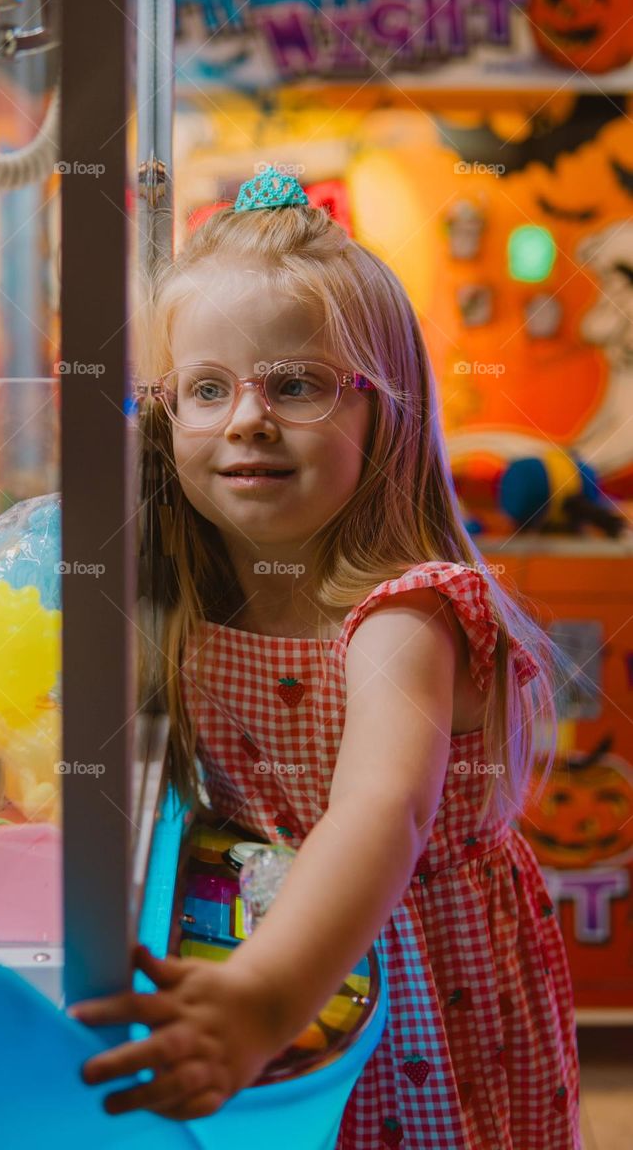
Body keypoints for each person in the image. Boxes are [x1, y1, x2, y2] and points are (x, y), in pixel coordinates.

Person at [67, 167, 581, 1148]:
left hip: (404, 976)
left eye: (295, 385)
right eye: (206, 389)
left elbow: (381, 810)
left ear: (383, 412)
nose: (246, 419)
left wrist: (265, 996)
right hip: (260, 957)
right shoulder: (185, 598)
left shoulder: (407, 614)